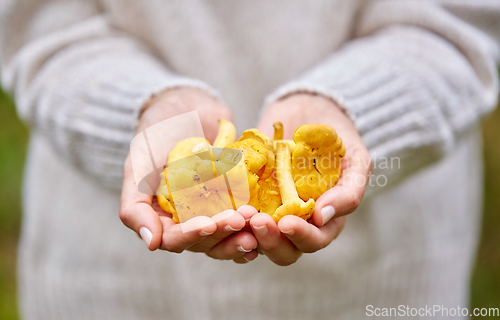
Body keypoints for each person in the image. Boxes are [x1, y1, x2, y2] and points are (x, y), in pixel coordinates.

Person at [1, 1, 498, 319]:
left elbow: (459, 28)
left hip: (380, 289)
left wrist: (355, 109)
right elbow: (43, 30)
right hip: (111, 289)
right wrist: (141, 111)